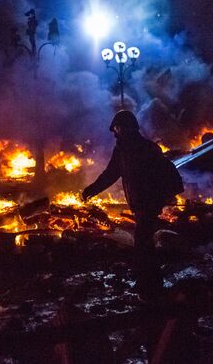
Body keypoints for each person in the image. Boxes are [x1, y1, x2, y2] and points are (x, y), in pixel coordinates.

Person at [82, 110, 184, 298]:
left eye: (117, 128)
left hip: (148, 202)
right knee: (144, 244)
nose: (114, 132)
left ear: (126, 128)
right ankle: (150, 282)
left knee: (142, 243)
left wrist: (164, 196)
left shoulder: (144, 148)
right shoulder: (123, 150)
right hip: (141, 203)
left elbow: (163, 172)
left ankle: (149, 286)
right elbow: (111, 174)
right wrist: (91, 190)